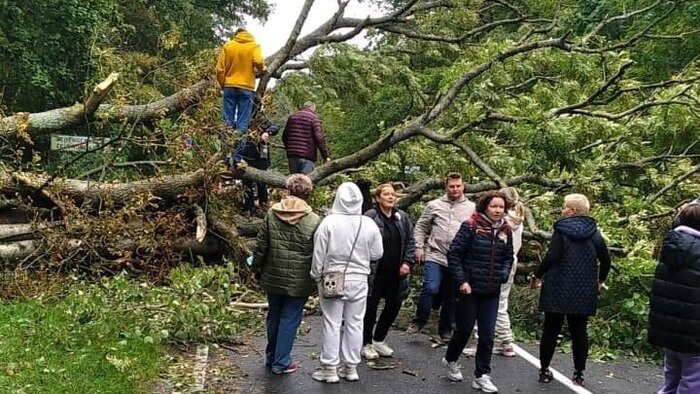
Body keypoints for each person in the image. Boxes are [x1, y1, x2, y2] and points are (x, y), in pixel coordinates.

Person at [532, 193, 611, 387]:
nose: (562, 209)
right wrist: (600, 280)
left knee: (551, 329)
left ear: (573, 210)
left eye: (564, 206)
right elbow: (606, 260)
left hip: (558, 285)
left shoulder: (561, 230)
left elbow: (552, 256)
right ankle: (579, 374)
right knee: (579, 331)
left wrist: (537, 274)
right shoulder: (594, 233)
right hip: (583, 288)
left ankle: (543, 370)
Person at [310, 182, 383, 383]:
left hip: (333, 278)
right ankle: (351, 367)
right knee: (355, 323)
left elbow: (318, 255)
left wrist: (316, 275)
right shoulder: (368, 223)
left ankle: (329, 368)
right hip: (360, 279)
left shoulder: (328, 223)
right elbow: (377, 253)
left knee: (332, 323)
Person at [442, 191, 514, 393]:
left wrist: (503, 274)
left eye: (501, 207)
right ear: (485, 207)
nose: (498, 210)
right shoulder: (471, 225)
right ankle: (451, 359)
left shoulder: (506, 230)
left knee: (488, 335)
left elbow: (508, 257)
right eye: (494, 206)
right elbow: (454, 253)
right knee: (463, 331)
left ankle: (482, 375)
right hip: (469, 289)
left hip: (491, 290)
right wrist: (462, 280)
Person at [251, 174, 320, 375]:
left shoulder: (272, 214)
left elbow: (261, 246)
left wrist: (255, 268)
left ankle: (271, 356)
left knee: (274, 315)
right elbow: (317, 251)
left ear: (288, 190)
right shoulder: (314, 220)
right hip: (299, 279)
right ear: (308, 193)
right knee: (290, 318)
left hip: (273, 274)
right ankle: (281, 362)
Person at [407, 172, 475, 341]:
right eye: (451, 186)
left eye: (458, 186)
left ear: (463, 186)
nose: (455, 189)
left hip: (457, 258)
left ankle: (446, 329)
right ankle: (419, 320)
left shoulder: (471, 208)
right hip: (435, 254)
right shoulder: (434, 205)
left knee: (451, 296)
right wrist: (418, 247)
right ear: (446, 187)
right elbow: (421, 227)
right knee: (431, 287)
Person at [648, 202, 700, 394]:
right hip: (695, 335)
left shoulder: (671, 247)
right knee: (692, 384)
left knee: (671, 379)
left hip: (668, 330)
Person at [361, 183, 415, 359]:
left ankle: (379, 339)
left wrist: (407, 262)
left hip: (397, 272)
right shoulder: (371, 216)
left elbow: (410, 241)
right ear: (378, 198)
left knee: (393, 306)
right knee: (370, 308)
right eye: (386, 194)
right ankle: (366, 343)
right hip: (375, 272)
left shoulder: (402, 217)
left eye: (393, 194)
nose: (391, 197)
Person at [215, 28, 266, 167]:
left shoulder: (228, 45)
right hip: (246, 88)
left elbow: (219, 69)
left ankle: (224, 158)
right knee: (242, 125)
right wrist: (261, 70)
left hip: (229, 87)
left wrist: (223, 85)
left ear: (236, 35)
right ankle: (237, 159)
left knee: (227, 123)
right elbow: (258, 61)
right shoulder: (254, 45)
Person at [493, 187, 525, 357]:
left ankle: (505, 339)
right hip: (512, 260)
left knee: (491, 301)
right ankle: (505, 341)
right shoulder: (518, 219)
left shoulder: (503, 221)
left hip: (498, 262)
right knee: (502, 301)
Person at [241, 100, 279, 216]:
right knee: (247, 183)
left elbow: (274, 128)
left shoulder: (261, 117)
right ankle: (249, 207)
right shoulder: (242, 116)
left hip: (261, 157)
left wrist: (267, 132)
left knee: (261, 182)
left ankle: (263, 206)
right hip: (246, 155)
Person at [282, 102, 331, 174]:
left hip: (292, 155)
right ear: (313, 108)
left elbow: (284, 136)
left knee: (294, 181)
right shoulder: (314, 118)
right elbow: (319, 138)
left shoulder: (292, 117)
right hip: (307, 156)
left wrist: (289, 148)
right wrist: (325, 156)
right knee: (305, 181)